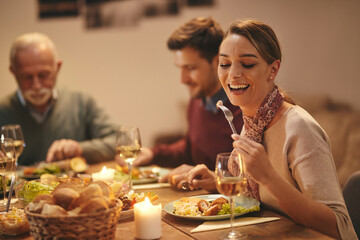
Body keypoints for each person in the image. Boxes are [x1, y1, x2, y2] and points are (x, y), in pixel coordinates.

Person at [183, 19, 357, 239]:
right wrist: (216, 181)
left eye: (247, 64)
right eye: (225, 64)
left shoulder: (299, 128)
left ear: (273, 69)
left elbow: (337, 226)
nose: (233, 74)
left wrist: (268, 176)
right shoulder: (253, 125)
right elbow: (260, 198)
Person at [118, 17, 243, 187]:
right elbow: (190, 146)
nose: (183, 79)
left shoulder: (244, 108)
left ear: (218, 62)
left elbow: (254, 179)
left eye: (190, 68)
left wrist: (215, 178)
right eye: (180, 68)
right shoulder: (197, 101)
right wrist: (152, 153)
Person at [0, 32, 118, 166]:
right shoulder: (3, 111)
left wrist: (80, 149)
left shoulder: (81, 103)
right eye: (27, 77)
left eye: (43, 75)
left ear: (58, 68)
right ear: (13, 72)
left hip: (74, 185)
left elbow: (118, 142)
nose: (36, 85)